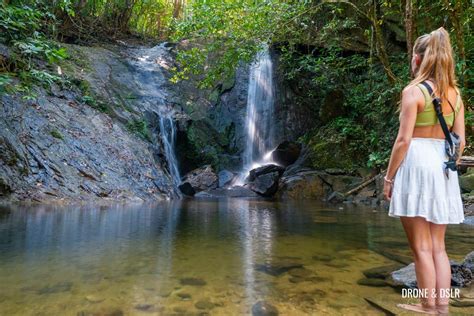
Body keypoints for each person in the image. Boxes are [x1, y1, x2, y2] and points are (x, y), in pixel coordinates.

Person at [383, 27, 466, 315]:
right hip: (443, 169)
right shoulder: (455, 95)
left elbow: (404, 140)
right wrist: (447, 167)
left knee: (420, 247)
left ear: (418, 60)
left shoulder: (413, 91)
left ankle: (426, 305)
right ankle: (441, 307)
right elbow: (461, 142)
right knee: (438, 247)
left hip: (416, 165)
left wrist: (389, 177)